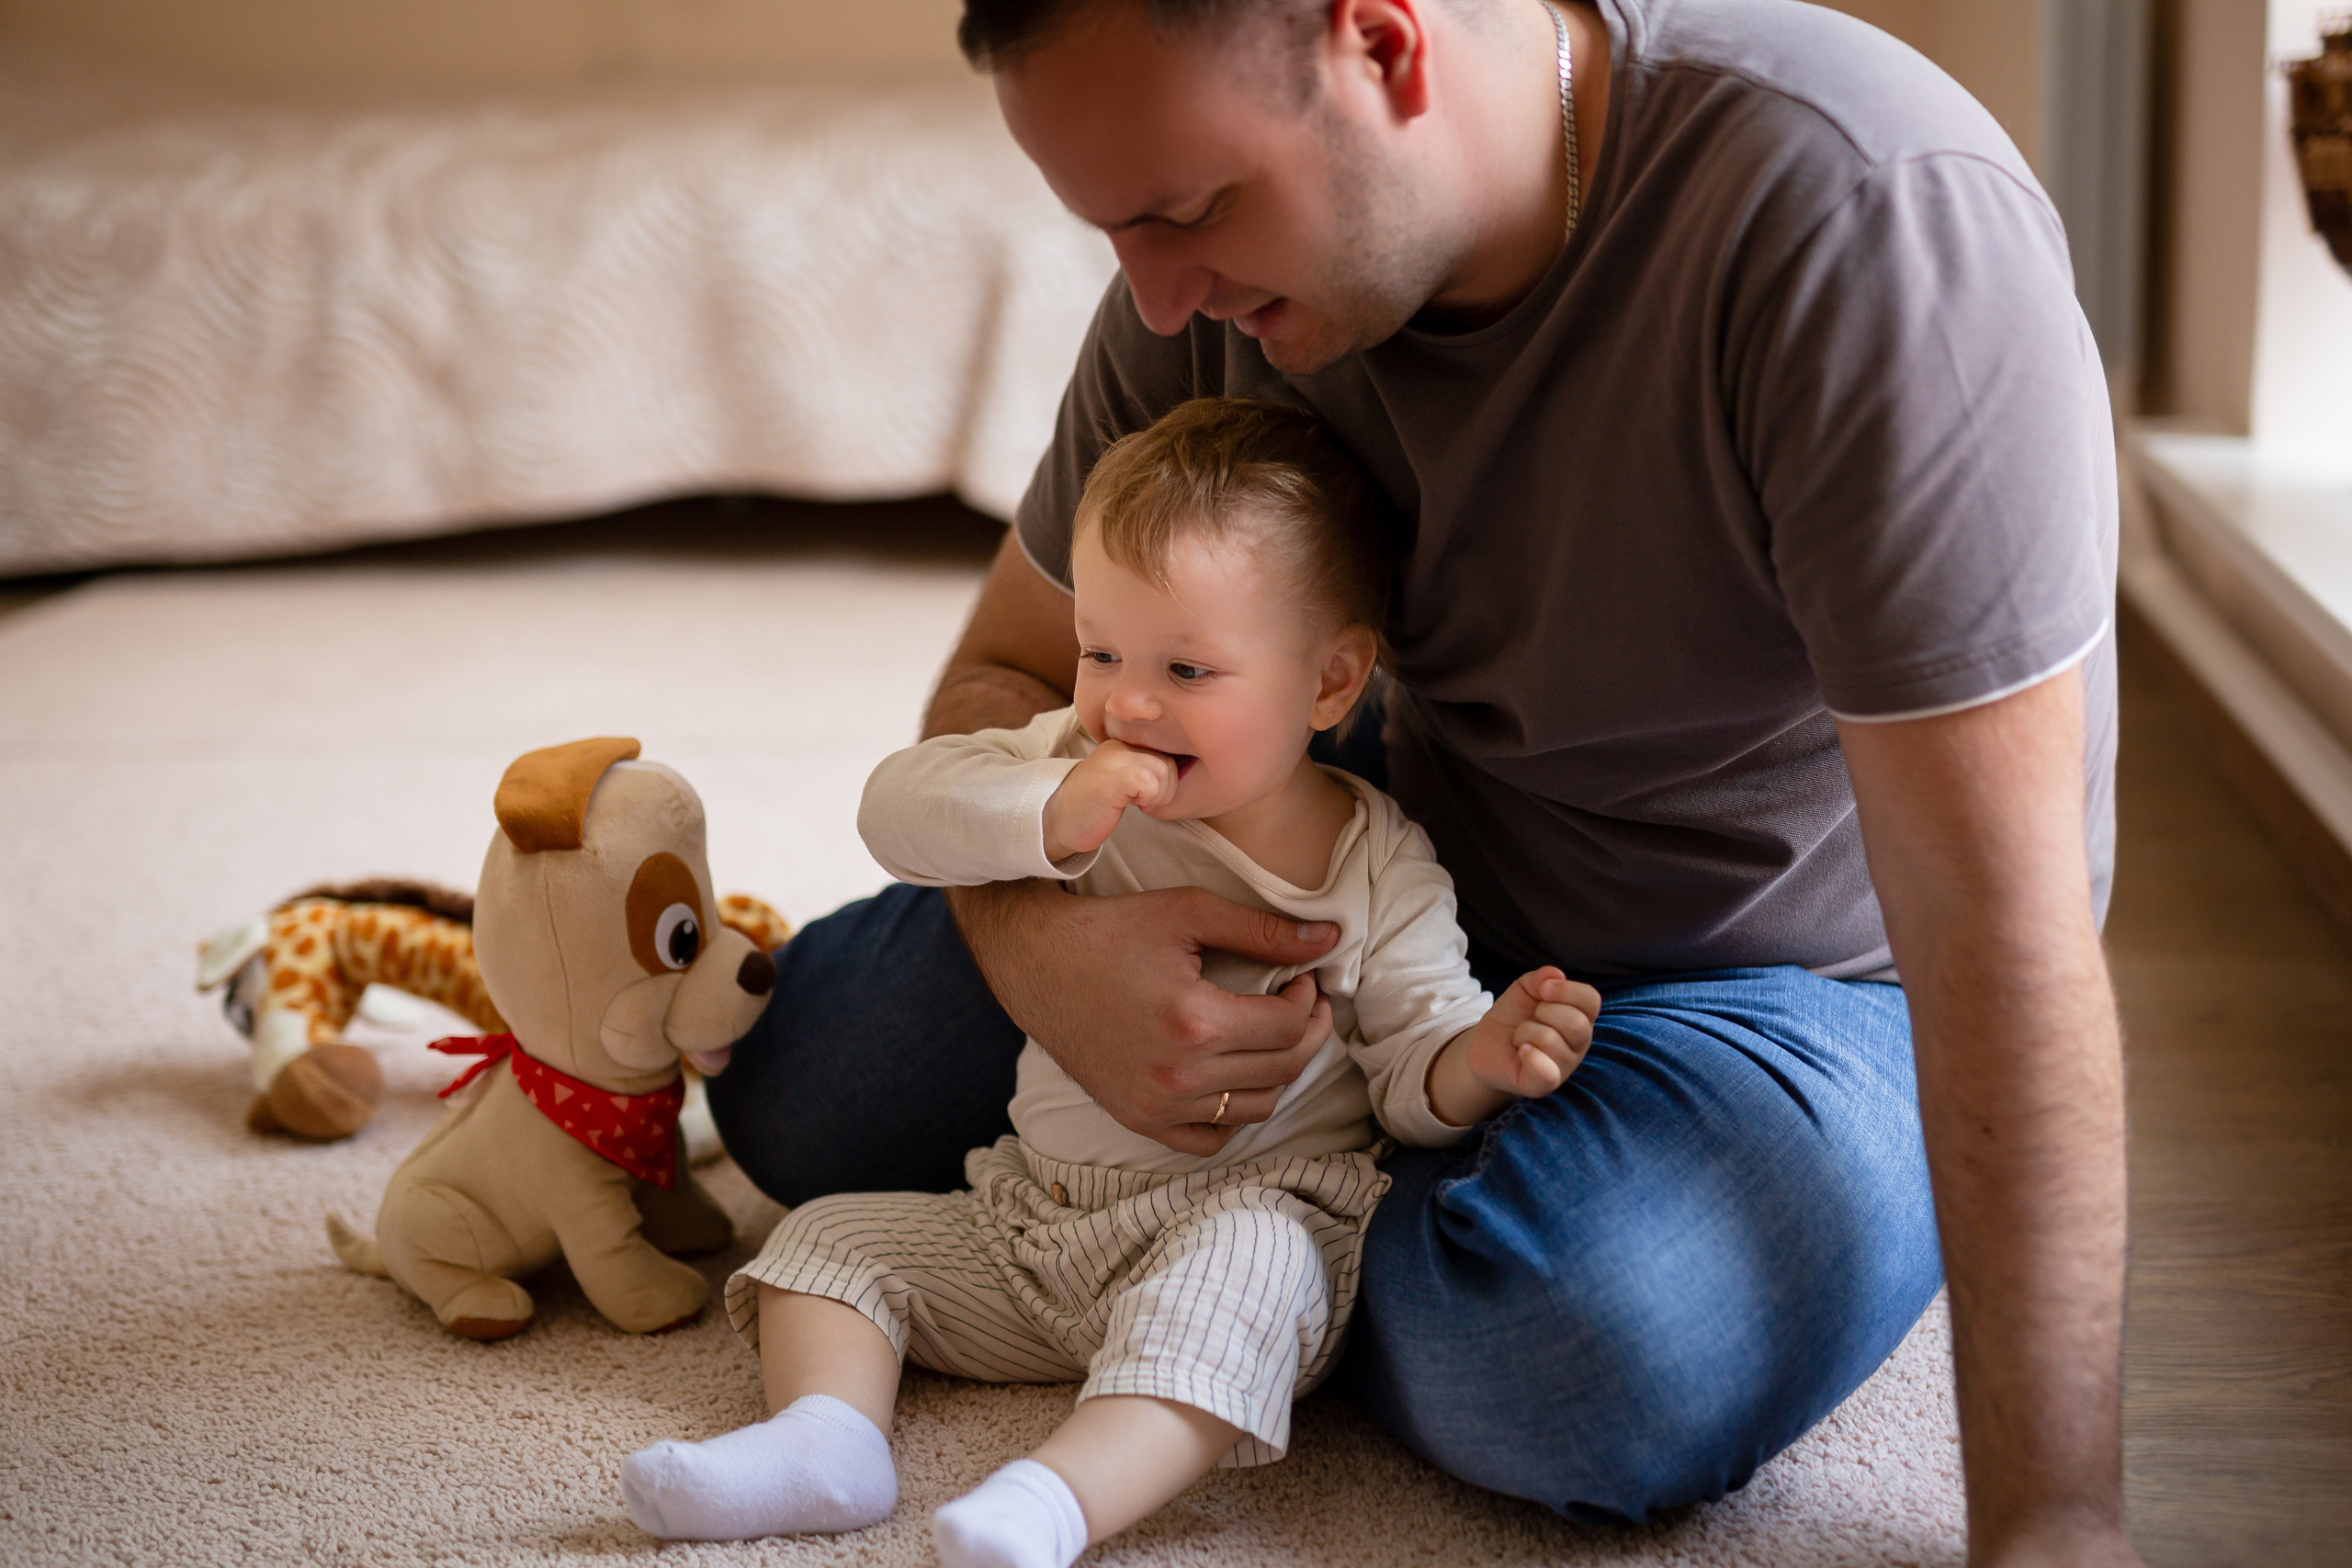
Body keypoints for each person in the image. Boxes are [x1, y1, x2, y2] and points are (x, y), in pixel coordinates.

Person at [710, 1, 2143, 1562]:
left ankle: (1270, 1260)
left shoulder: (1865, 220)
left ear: (1382, 46)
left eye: (1186, 211)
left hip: (1778, 971)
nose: (1155, 292)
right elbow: (994, 684)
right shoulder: (1202, 290)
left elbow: (2000, 924)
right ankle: (1281, 1235)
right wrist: (1048, 955)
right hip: (1362, 875)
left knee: (1573, 1352)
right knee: (797, 1080)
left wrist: (2052, 1522)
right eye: (1115, 228)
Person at [621, 398, 1601, 1563]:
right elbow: (898, 809)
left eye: (1187, 666)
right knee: (828, 1239)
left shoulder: (1374, 863)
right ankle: (826, 1441)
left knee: (1248, 1280)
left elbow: (1406, 1077)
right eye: (1100, 652)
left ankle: (1056, 1501)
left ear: (1330, 684)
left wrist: (1479, 1059)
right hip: (1036, 1218)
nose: (1129, 701)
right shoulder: (1069, 770)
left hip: (1246, 1215)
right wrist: (1043, 814)